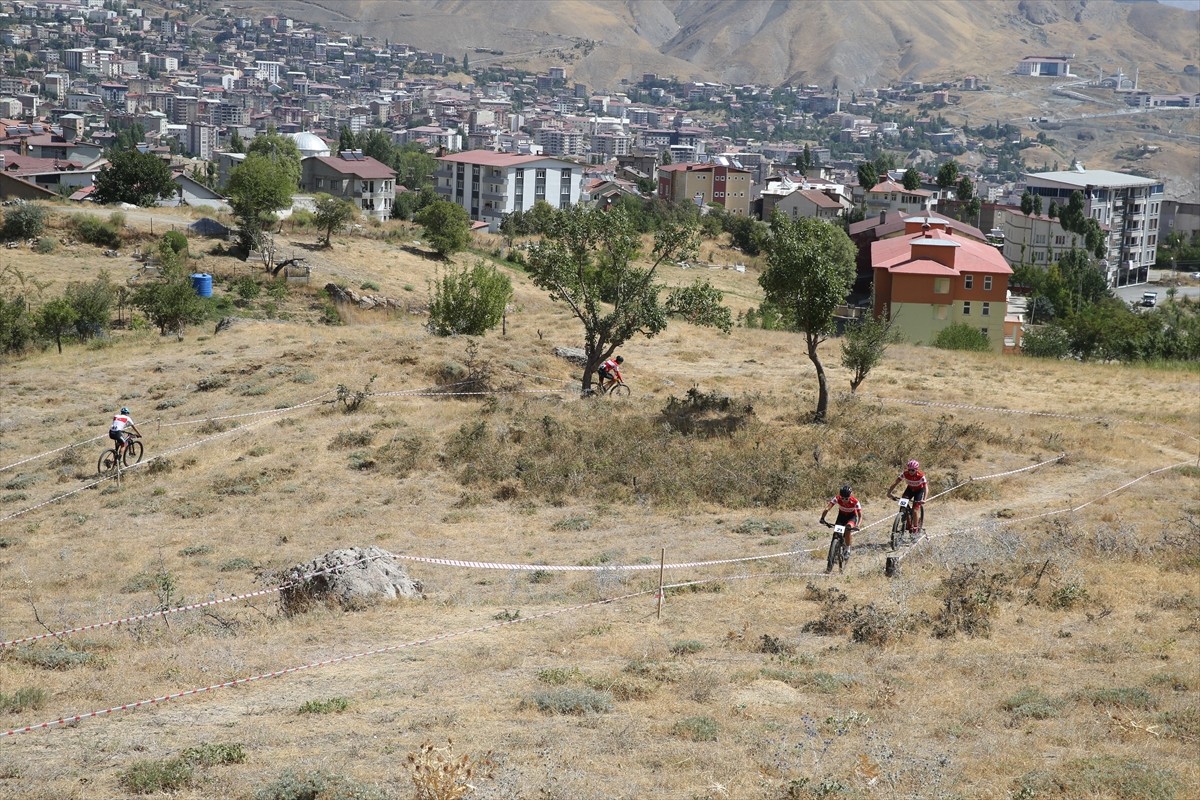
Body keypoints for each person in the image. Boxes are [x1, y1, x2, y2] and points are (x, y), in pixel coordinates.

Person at [819, 484, 862, 555]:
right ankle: (834, 549)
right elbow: (827, 509)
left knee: (848, 529)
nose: (844, 500)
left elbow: (860, 516)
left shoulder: (855, 502)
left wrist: (858, 525)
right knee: (836, 533)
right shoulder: (837, 498)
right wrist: (822, 518)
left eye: (846, 498)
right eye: (842, 498)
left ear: (850, 497)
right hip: (841, 517)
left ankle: (847, 549)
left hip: (851, 517)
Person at [888, 459, 927, 533]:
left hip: (919, 491)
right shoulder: (905, 474)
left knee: (915, 510)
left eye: (912, 470)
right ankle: (906, 521)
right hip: (910, 489)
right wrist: (889, 492)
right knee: (903, 505)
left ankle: (915, 528)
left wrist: (924, 499)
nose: (910, 472)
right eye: (909, 470)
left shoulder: (921, 476)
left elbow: (926, 488)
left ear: (916, 470)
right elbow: (895, 483)